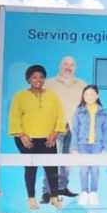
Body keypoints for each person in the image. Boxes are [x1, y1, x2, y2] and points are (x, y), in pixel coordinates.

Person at [7, 65, 66, 210]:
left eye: (41, 77)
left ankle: (54, 197)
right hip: (27, 139)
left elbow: (60, 115)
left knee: (52, 169)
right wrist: (22, 136)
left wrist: (55, 133)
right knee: (30, 168)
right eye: (34, 77)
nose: (38, 80)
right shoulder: (20, 96)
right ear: (28, 79)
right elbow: (14, 117)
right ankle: (31, 199)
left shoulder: (52, 95)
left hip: (48, 139)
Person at [42, 56, 86, 202]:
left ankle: (61, 187)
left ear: (75, 68)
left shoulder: (81, 85)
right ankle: (47, 191)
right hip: (54, 127)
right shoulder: (49, 84)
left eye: (72, 64)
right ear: (60, 66)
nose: (69, 67)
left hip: (74, 127)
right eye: (66, 64)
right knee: (51, 159)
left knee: (68, 160)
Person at [70, 85, 107, 206]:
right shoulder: (79, 110)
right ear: (83, 96)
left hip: (97, 144)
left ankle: (93, 193)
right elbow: (75, 129)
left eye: (92, 94)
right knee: (84, 169)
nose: (89, 97)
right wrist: (74, 147)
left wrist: (105, 147)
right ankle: (84, 192)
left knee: (95, 169)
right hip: (82, 144)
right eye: (86, 94)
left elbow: (106, 130)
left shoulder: (103, 111)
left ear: (97, 96)